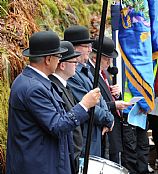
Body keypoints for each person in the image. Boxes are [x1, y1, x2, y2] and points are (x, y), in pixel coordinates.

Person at [6, 31, 101, 174]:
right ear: (48, 59)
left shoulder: (35, 82)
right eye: (58, 56)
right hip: (38, 166)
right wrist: (84, 105)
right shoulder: (34, 88)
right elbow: (57, 126)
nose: (59, 60)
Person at [64, 25, 114, 157]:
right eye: (86, 46)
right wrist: (108, 119)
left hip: (96, 133)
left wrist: (109, 118)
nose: (90, 49)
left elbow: (100, 97)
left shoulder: (85, 70)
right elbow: (88, 105)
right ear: (74, 48)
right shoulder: (71, 74)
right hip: (85, 137)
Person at [88, 36, 132, 163]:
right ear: (95, 58)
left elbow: (108, 95)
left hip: (114, 128)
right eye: (106, 59)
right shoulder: (91, 73)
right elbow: (93, 102)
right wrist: (114, 105)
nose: (109, 63)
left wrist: (117, 94)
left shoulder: (105, 73)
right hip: (104, 128)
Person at [48, 41, 82, 174]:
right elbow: (62, 122)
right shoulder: (54, 87)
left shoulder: (65, 86)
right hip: (68, 155)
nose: (77, 65)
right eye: (74, 62)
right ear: (62, 65)